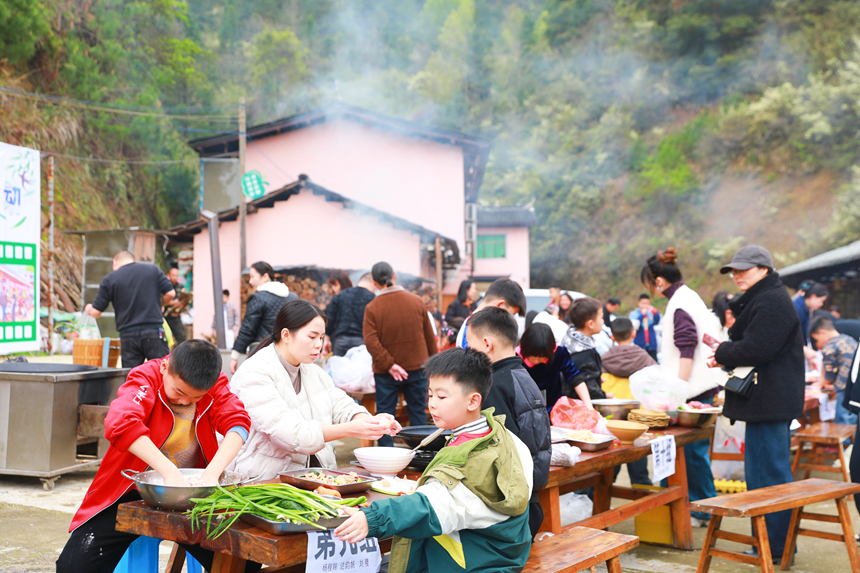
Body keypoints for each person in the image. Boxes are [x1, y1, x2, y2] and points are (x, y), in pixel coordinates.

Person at [57, 340, 257, 573]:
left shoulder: (215, 383)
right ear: (165, 367)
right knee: (73, 567)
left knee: (245, 562)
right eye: (179, 392)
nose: (184, 402)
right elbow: (120, 423)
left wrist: (211, 474)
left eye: (195, 399)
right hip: (132, 489)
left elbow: (239, 423)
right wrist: (169, 472)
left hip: (194, 495)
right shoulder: (145, 378)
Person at [333, 348, 534, 572]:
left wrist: (373, 518)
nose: (433, 403)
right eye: (430, 394)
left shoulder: (470, 459)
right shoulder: (503, 434)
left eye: (442, 396)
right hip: (503, 552)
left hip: (473, 562)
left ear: (473, 401)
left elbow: (433, 508)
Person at [709, 245, 804, 563]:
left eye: (743, 269)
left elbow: (758, 348)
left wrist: (722, 351)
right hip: (768, 401)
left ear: (764, 269)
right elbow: (756, 347)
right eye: (733, 270)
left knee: (769, 476)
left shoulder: (772, 301)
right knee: (763, 474)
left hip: (771, 402)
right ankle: (769, 542)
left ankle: (775, 547)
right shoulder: (767, 297)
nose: (736, 275)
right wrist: (725, 353)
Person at [228, 300, 398, 478]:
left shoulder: (314, 371)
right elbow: (293, 435)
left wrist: (369, 422)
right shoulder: (254, 372)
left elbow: (342, 405)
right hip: (264, 481)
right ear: (286, 335)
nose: (319, 345)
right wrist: (352, 429)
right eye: (312, 337)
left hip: (311, 476)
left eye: (322, 337)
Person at [641, 248, 722, 527]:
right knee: (690, 451)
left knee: (693, 451)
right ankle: (692, 505)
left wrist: (679, 389)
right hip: (700, 384)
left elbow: (686, 346)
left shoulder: (680, 303)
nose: (651, 289)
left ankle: (703, 508)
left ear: (659, 281)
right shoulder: (688, 296)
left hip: (693, 387)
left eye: (650, 284)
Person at [465, 307, 551, 539]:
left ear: (486, 343)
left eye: (469, 344)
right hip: (530, 500)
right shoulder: (521, 375)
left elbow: (495, 455)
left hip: (508, 514)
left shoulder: (491, 386)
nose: (467, 350)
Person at [363, 262, 437, 447]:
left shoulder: (372, 307)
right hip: (417, 367)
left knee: (385, 415)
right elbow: (429, 336)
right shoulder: (416, 301)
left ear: (374, 282)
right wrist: (434, 365)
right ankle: (420, 453)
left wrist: (390, 364)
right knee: (417, 412)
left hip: (386, 372)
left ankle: (385, 457)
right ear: (394, 276)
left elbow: (371, 341)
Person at [85, 250, 175, 369]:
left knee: (132, 376)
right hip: (153, 331)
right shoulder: (152, 270)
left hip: (128, 335)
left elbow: (96, 312)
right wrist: (159, 304)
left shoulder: (110, 279)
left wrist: (89, 309)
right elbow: (170, 293)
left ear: (114, 262)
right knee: (162, 372)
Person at [230, 261, 298, 374]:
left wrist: (235, 356)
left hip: (262, 353)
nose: (250, 281)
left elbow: (248, 329)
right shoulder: (293, 297)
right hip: (288, 355)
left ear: (265, 276)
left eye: (252, 276)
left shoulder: (257, 298)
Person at [518, 322, 590, 410]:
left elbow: (575, 378)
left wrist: (589, 407)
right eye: (532, 356)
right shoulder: (515, 358)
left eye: (541, 357)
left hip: (552, 411)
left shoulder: (559, 354)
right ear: (524, 348)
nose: (536, 361)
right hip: (523, 411)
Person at [809, 316, 859, 428]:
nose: (817, 345)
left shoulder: (830, 346)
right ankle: (851, 443)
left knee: (843, 421)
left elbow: (829, 374)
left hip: (845, 388)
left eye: (816, 340)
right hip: (856, 386)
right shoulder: (848, 339)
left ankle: (844, 444)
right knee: (853, 421)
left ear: (822, 332)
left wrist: (817, 385)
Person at [455, 278, 527, 348]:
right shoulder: (477, 332)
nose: (509, 321)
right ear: (499, 305)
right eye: (508, 315)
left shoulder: (470, 325)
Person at [561, 297, 608, 399]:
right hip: (578, 408)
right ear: (590, 324)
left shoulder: (569, 340)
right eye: (601, 318)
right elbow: (590, 390)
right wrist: (606, 397)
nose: (603, 321)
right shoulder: (585, 353)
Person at [600, 317, 657, 400]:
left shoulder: (603, 360)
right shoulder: (645, 358)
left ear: (612, 337)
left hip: (611, 408)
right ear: (634, 334)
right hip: (640, 410)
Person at [324, 272, 376, 357]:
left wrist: (327, 338)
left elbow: (330, 317)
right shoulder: (372, 298)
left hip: (341, 342)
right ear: (373, 283)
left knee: (338, 369)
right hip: (361, 344)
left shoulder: (342, 294)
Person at [793, 281, 828, 345]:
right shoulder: (797, 309)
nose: (821, 304)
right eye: (821, 301)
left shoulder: (805, 308)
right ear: (813, 297)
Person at [628, 294, 661, 361]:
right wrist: (642, 315)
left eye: (647, 303)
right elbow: (634, 325)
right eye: (643, 303)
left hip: (651, 344)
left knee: (654, 363)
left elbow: (657, 322)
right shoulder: (633, 314)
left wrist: (655, 313)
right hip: (639, 345)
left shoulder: (650, 313)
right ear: (639, 303)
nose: (645, 305)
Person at [163, 266, 189, 346]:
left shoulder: (181, 288)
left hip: (175, 317)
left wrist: (184, 304)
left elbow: (185, 303)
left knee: (182, 337)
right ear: (168, 275)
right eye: (173, 275)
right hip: (164, 316)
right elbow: (160, 300)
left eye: (176, 275)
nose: (174, 277)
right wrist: (173, 302)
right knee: (162, 338)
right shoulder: (163, 286)